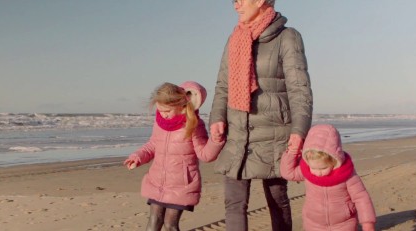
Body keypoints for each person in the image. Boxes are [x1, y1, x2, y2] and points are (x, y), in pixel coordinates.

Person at [208, 0, 313, 230]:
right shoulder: (234, 38)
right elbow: (222, 86)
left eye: (240, 0)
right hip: (237, 134)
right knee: (233, 203)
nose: (236, 6)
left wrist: (299, 130)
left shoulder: (287, 37)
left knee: (277, 199)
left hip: (274, 134)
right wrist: (216, 118)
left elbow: (299, 89)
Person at [124, 81, 226, 231]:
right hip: (157, 181)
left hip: (181, 184)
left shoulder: (193, 124)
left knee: (170, 225)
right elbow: (153, 144)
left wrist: (216, 140)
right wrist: (137, 157)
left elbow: (205, 155)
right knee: (154, 220)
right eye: (160, 110)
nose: (163, 115)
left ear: (181, 105)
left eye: (167, 111)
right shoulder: (159, 122)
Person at [280, 124, 376, 230]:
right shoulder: (306, 170)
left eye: (323, 168)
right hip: (313, 223)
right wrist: (293, 151)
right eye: (314, 168)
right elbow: (287, 173)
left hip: (343, 224)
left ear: (335, 160)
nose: (318, 173)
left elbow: (361, 198)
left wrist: (368, 224)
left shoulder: (347, 174)